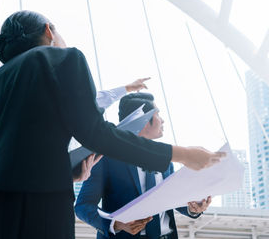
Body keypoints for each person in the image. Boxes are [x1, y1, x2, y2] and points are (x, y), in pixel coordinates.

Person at [0, 10, 224, 239]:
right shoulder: (61, 58)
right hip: (30, 213)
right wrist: (183, 154)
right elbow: (96, 132)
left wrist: (64, 171)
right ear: (49, 31)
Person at [76, 93, 212, 239]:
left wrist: (193, 208)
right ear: (145, 120)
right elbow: (83, 206)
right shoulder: (105, 159)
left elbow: (170, 199)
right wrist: (115, 223)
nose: (163, 120)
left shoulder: (166, 161)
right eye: (158, 115)